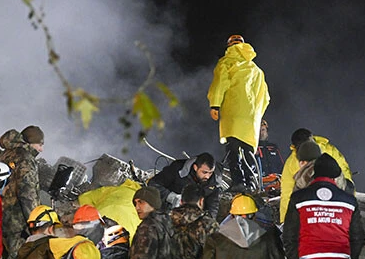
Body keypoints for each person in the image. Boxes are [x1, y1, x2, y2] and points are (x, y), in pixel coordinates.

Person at [208, 34, 270, 190]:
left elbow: (219, 84)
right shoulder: (256, 70)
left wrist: (215, 105)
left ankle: (238, 182)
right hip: (251, 118)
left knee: (233, 148)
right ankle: (252, 183)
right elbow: (265, 97)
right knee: (248, 150)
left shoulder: (227, 62)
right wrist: (256, 115)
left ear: (229, 46)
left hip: (233, 114)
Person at [279, 128, 354, 222]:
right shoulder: (291, 163)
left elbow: (345, 178)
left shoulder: (330, 151)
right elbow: (287, 194)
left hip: (328, 203)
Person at [1, 126, 45, 259]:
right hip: (15, 221)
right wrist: (36, 224)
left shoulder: (8, 153)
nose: (41, 150)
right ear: (31, 142)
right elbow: (28, 195)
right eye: (40, 145)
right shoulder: (26, 160)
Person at [149, 152, 221, 218]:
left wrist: (206, 221)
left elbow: (213, 208)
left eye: (210, 173)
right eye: (204, 172)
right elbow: (153, 184)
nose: (207, 176)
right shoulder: (178, 169)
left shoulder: (214, 183)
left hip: (193, 218)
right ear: (195, 167)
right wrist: (171, 197)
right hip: (168, 213)